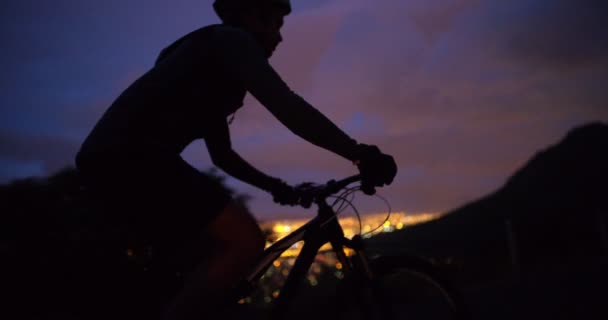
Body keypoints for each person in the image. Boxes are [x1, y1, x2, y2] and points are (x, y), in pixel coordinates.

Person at [75, 0, 397, 319]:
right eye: (276, 24)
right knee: (245, 241)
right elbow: (288, 107)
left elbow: (222, 155)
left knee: (201, 267)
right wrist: (359, 152)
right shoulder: (232, 41)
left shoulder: (208, 61)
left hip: (115, 159)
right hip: (133, 156)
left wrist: (276, 186)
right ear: (250, 15)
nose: (280, 38)